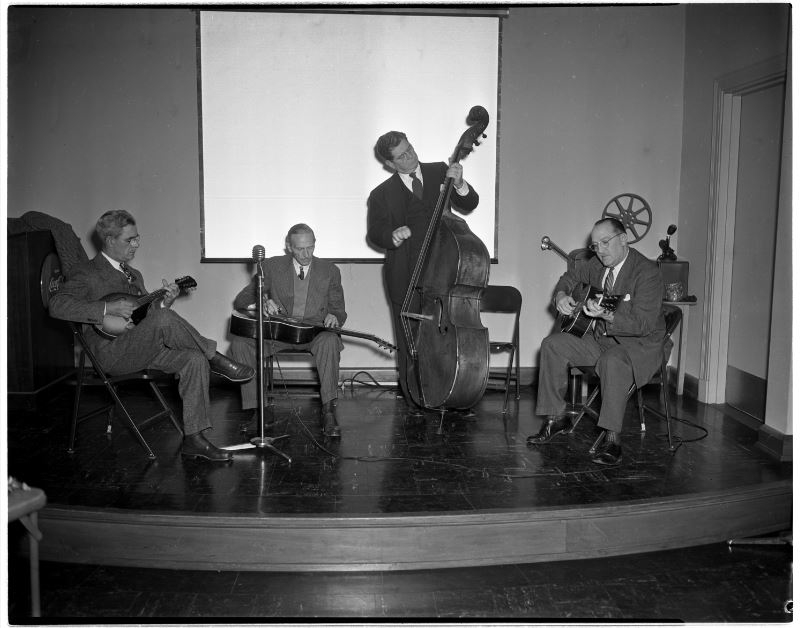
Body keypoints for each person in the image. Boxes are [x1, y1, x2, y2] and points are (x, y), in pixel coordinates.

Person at [49, 210, 255, 463]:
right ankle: (216, 358)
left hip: (140, 347)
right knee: (174, 330)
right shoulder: (87, 273)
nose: (136, 244)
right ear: (110, 240)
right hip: (111, 354)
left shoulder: (134, 276)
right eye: (129, 240)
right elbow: (57, 305)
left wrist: (164, 304)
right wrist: (106, 308)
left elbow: (147, 319)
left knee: (193, 359)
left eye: (138, 238)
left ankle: (194, 439)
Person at [527, 217, 666, 465]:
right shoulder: (598, 265)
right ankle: (557, 418)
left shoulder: (647, 273)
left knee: (613, 361)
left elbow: (643, 325)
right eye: (595, 245)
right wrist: (560, 295)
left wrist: (607, 315)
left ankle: (612, 439)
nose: (600, 250)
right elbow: (570, 275)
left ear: (623, 239)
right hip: (602, 340)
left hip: (638, 346)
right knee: (553, 345)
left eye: (605, 242)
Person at [367, 131, 479, 413]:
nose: (410, 156)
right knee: (409, 341)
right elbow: (374, 233)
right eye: (402, 156)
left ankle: (445, 391)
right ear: (390, 164)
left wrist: (461, 182)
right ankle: (414, 399)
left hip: (442, 271)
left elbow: (469, 203)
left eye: (410, 149)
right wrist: (391, 235)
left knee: (444, 337)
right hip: (404, 275)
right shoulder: (381, 194)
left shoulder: (441, 171)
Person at [229, 224, 346, 437]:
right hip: (279, 334)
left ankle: (328, 410)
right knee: (239, 344)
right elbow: (241, 300)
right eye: (300, 249)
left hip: (314, 333)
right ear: (289, 247)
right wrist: (260, 304)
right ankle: (260, 409)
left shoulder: (330, 271)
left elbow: (339, 311)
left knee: (329, 341)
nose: (306, 254)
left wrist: (334, 316)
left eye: (310, 247)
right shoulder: (271, 267)